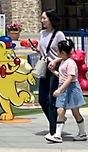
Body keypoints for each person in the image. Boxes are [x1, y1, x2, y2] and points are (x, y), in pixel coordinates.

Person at [47, 39, 87, 142]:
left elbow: (70, 78)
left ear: (63, 52)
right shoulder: (63, 61)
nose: (56, 53)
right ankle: (57, 135)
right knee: (60, 110)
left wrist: (59, 89)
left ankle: (82, 133)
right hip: (63, 87)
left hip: (71, 89)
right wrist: (54, 72)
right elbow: (63, 76)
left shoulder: (71, 63)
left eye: (57, 51)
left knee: (75, 112)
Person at [34, 9, 65, 137]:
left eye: (44, 18)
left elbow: (67, 53)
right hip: (44, 66)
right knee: (42, 99)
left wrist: (56, 60)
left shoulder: (59, 35)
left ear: (51, 19)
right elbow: (43, 51)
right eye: (41, 18)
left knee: (52, 99)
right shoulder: (41, 33)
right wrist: (37, 50)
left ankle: (53, 130)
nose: (42, 21)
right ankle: (56, 121)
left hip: (55, 67)